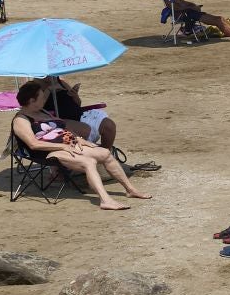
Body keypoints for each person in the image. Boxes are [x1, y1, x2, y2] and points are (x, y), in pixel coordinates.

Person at [11, 80, 148, 210]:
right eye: (41, 97)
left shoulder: (43, 112)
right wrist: (62, 147)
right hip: (48, 152)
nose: (44, 100)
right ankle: (105, 200)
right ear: (31, 101)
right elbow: (33, 144)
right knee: (88, 162)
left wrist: (79, 139)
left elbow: (61, 128)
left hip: (67, 144)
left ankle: (130, 190)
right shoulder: (21, 120)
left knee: (105, 153)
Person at [39, 73, 116, 147]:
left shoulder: (61, 82)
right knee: (85, 130)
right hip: (61, 120)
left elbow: (78, 103)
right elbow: (37, 108)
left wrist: (74, 95)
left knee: (109, 125)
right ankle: (96, 154)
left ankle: (106, 152)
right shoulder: (37, 87)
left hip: (80, 114)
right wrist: (48, 90)